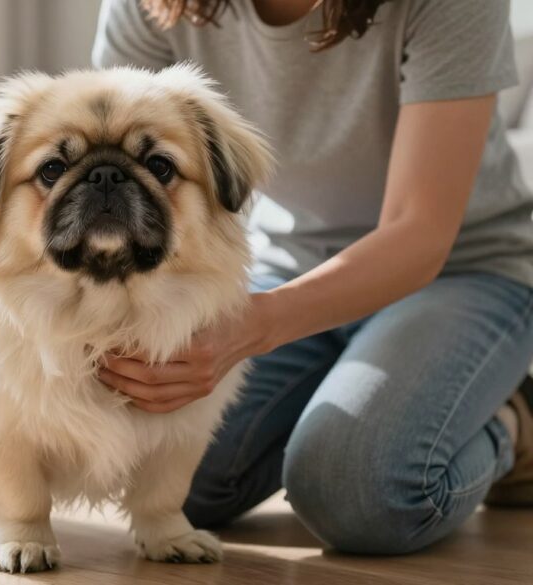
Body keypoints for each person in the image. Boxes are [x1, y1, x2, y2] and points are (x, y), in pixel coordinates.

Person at [93, 0, 533, 554]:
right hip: (285, 265)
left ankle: (512, 423)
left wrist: (252, 326)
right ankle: (351, 395)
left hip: (460, 271)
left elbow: (419, 234)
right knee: (167, 479)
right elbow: (100, 143)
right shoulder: (153, 6)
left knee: (355, 493)